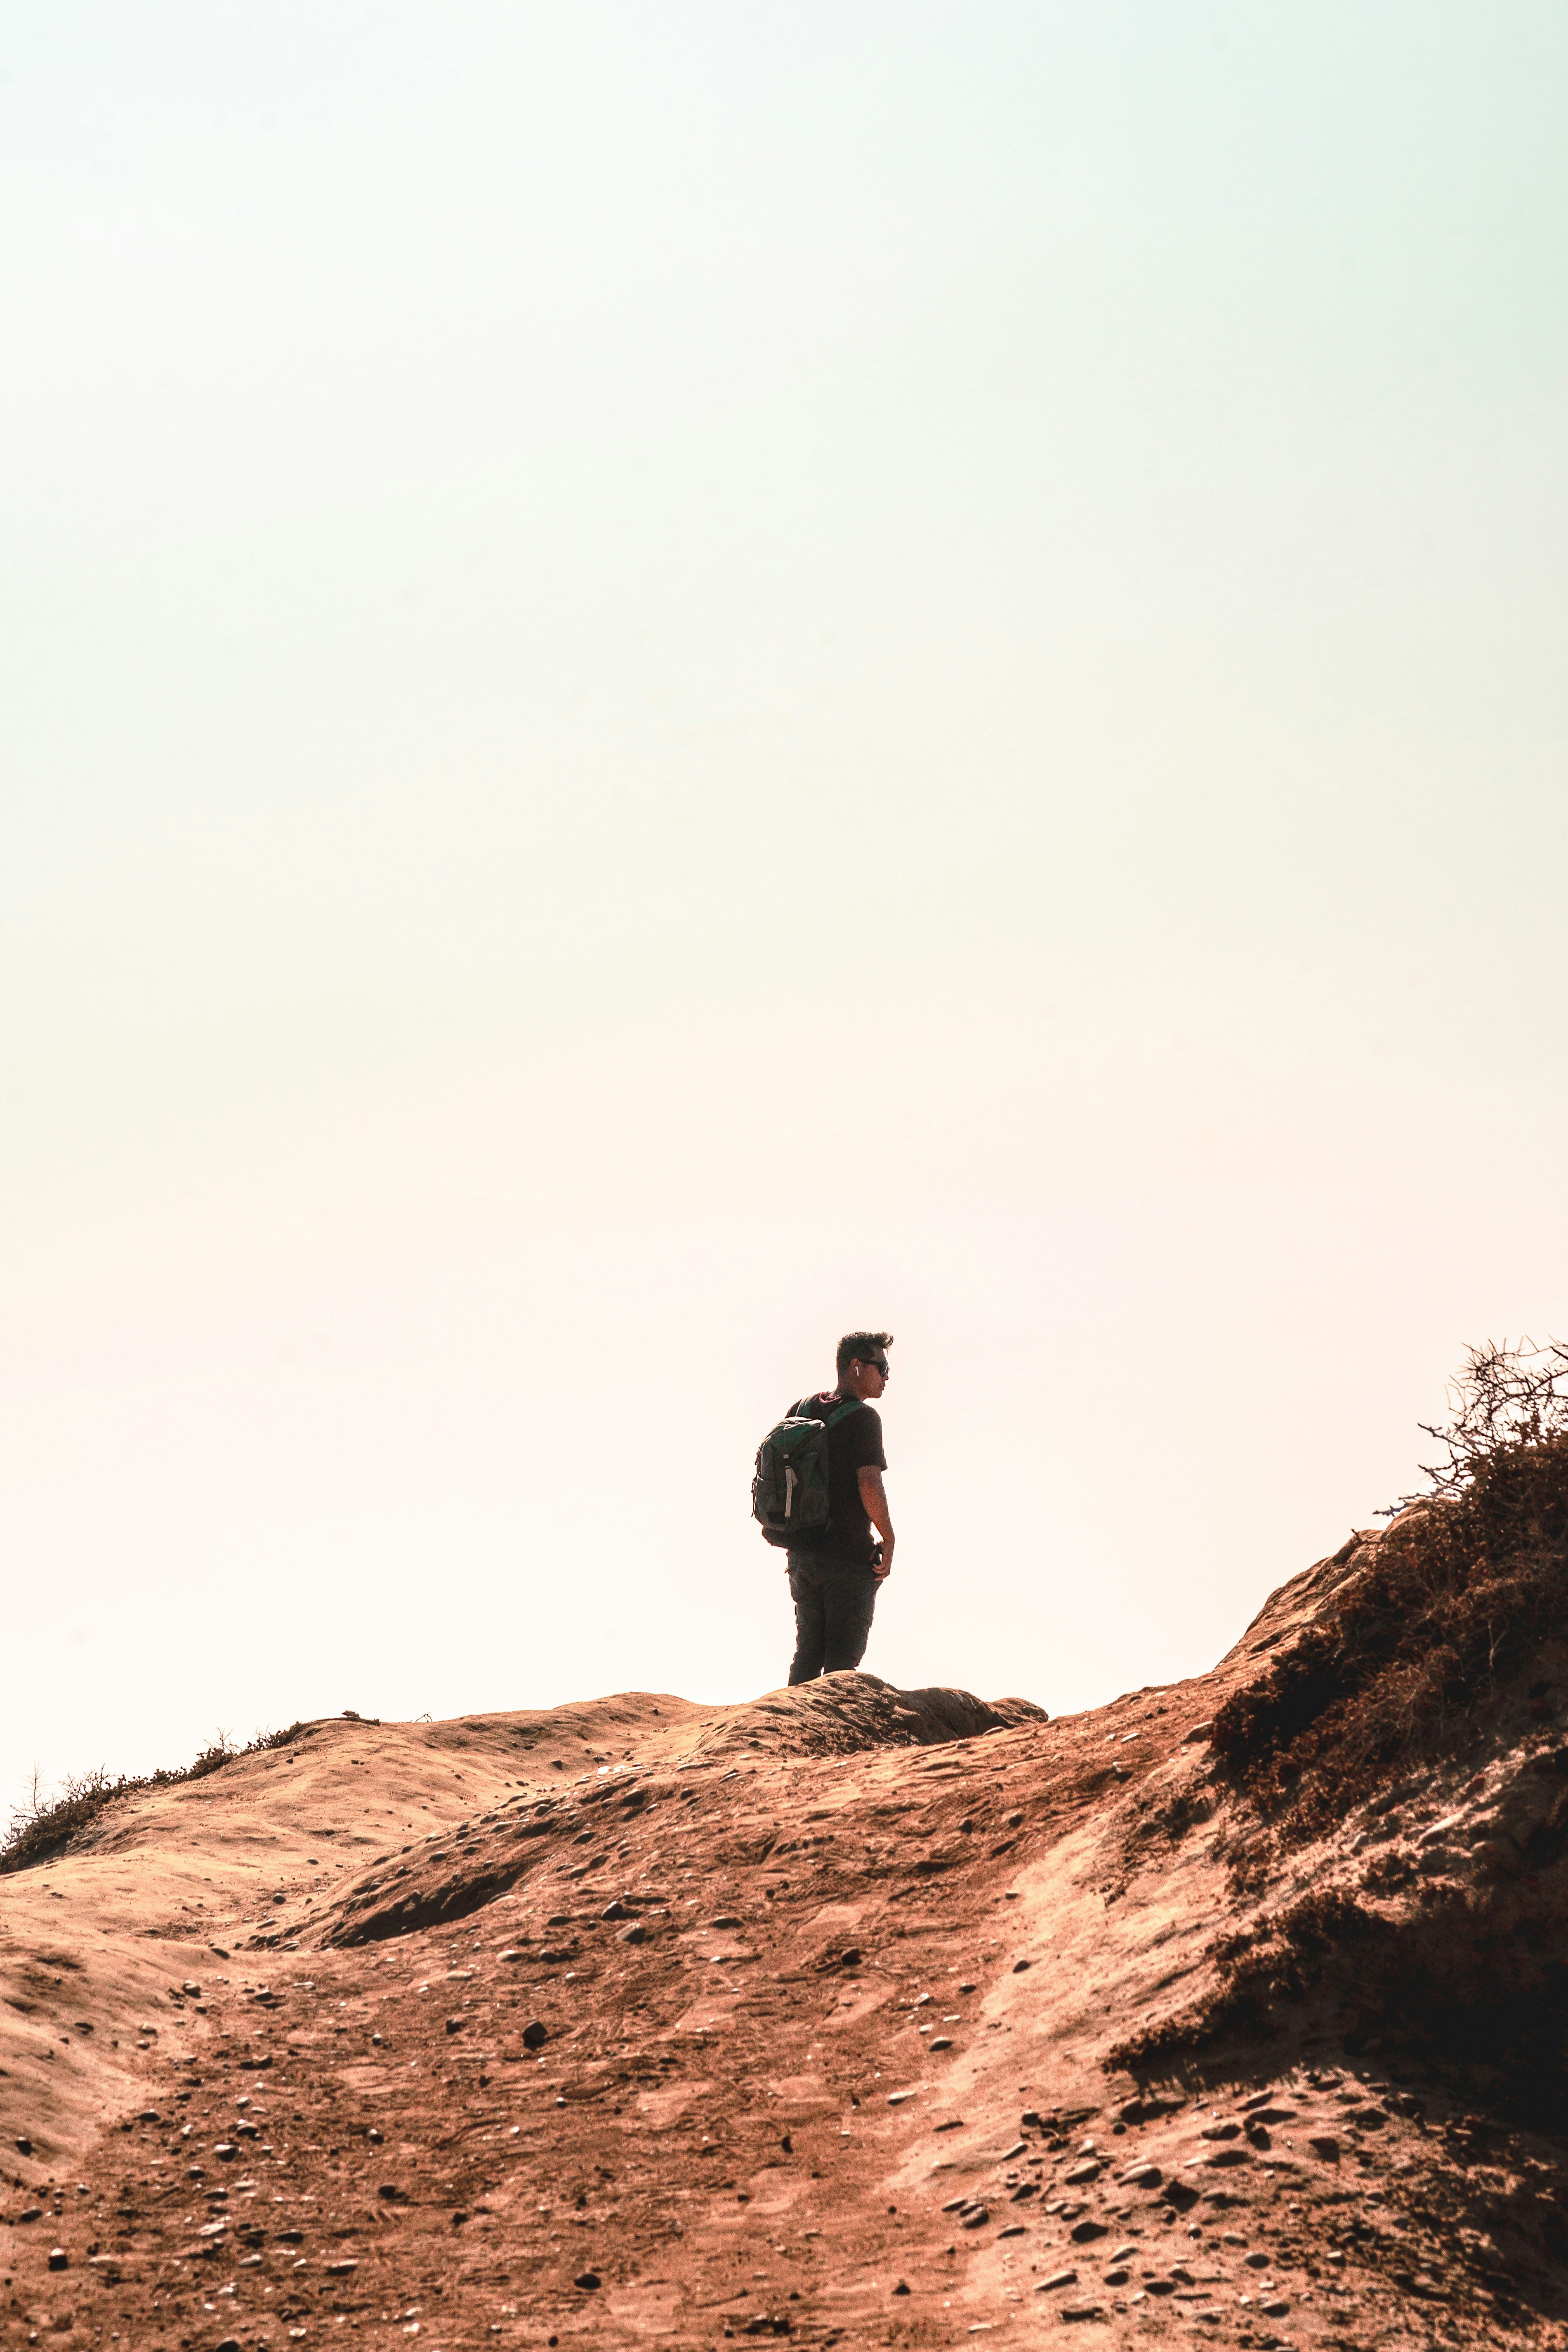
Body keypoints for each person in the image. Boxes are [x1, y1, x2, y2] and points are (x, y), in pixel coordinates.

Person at [784, 1331, 894, 1685]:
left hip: (801, 1555)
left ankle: (789, 1731)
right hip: (847, 1558)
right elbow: (869, 1483)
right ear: (856, 1367)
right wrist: (888, 1538)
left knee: (806, 1655)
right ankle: (830, 1739)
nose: (887, 1376)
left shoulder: (799, 1410)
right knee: (841, 1665)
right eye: (882, 1367)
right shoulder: (864, 1418)